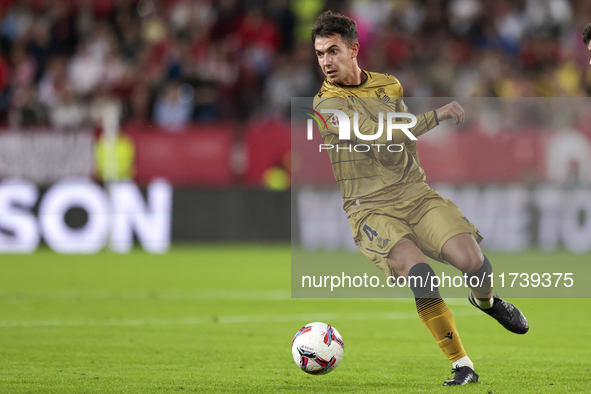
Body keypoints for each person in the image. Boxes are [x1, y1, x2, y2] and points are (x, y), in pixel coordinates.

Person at [311, 11, 528, 386]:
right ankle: (462, 364)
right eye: (319, 54)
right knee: (422, 277)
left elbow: (402, 136)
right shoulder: (325, 106)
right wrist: (437, 116)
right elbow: (378, 135)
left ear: (354, 49)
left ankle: (487, 302)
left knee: (475, 264)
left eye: (333, 51)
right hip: (370, 210)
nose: (326, 61)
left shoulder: (389, 86)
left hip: (415, 194)